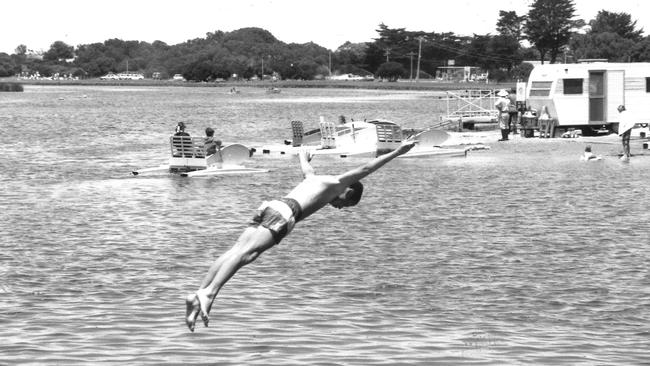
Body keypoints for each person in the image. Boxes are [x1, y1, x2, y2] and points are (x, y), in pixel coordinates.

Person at [185, 137, 418, 332]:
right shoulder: (337, 183)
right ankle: (209, 293)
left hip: (271, 206)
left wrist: (302, 157)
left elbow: (307, 169)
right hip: (285, 214)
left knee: (237, 251)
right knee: (246, 254)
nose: (338, 207)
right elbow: (368, 168)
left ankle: (200, 293)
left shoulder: (315, 179)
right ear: (349, 190)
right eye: (344, 204)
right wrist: (398, 151)